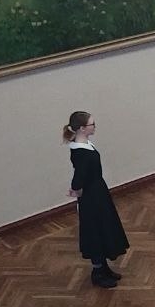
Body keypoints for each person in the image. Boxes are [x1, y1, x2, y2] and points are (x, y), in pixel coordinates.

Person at [63, 111, 129, 289]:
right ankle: (98, 272)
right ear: (82, 128)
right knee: (95, 231)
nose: (95, 127)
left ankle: (104, 268)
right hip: (92, 197)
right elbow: (79, 176)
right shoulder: (81, 152)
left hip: (97, 192)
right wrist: (76, 189)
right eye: (92, 124)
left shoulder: (85, 145)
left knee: (103, 228)